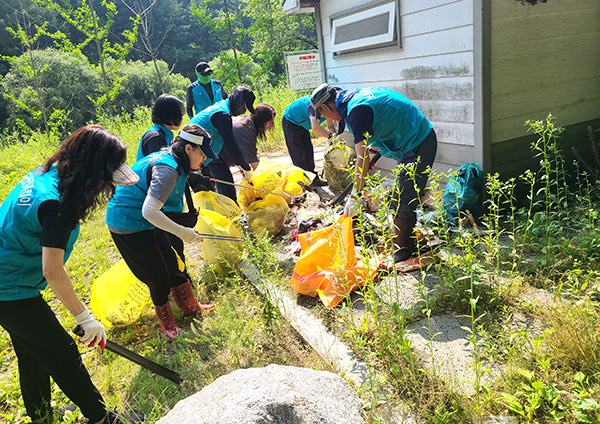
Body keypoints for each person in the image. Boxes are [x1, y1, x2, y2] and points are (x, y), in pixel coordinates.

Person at [0, 125, 143, 424]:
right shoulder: (57, 205)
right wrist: (84, 318)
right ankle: (103, 419)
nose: (105, 187)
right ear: (92, 171)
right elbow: (52, 270)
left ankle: (41, 417)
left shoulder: (45, 174)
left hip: (10, 280)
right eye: (105, 178)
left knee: (32, 353)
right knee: (63, 353)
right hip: (8, 289)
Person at [106, 124, 217, 339]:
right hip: (128, 222)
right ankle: (168, 325)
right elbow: (149, 211)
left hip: (149, 219)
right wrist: (183, 232)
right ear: (188, 149)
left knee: (172, 262)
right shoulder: (167, 169)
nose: (204, 159)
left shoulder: (178, 161)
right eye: (202, 154)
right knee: (157, 274)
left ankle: (189, 306)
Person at [309, 84, 438, 263]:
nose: (326, 119)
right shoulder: (352, 100)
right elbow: (379, 125)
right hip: (412, 137)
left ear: (324, 107)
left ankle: (403, 251)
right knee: (403, 196)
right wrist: (371, 155)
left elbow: (362, 159)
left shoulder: (357, 111)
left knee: (402, 202)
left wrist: (355, 196)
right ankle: (409, 238)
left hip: (419, 141)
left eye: (323, 116)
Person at [189, 86, 256, 201]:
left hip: (205, 154)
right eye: (244, 106)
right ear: (238, 101)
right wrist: (246, 167)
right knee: (209, 192)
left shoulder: (223, 107)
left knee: (217, 189)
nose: (244, 111)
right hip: (194, 154)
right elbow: (232, 145)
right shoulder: (222, 116)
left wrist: (241, 165)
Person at [282, 95, 336, 185]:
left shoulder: (330, 107)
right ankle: (303, 183)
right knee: (298, 154)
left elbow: (330, 126)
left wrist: (335, 138)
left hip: (303, 123)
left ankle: (314, 179)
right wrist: (330, 137)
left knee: (308, 151)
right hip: (291, 121)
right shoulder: (313, 107)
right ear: (322, 108)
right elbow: (315, 128)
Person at [218, 102, 277, 171]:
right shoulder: (246, 131)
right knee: (225, 180)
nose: (269, 127)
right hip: (216, 158)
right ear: (262, 120)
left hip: (220, 156)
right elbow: (255, 165)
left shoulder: (246, 123)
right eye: (269, 123)